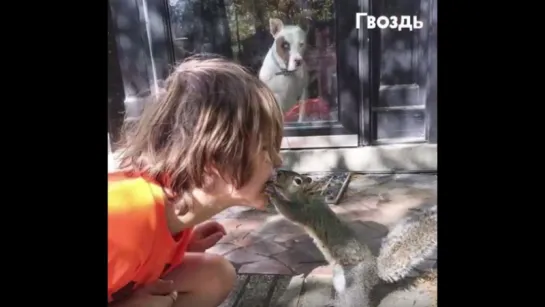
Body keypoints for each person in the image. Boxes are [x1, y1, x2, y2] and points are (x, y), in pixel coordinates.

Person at [108, 56, 284, 307]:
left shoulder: (170, 212)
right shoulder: (125, 222)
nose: (277, 161)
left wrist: (179, 245)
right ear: (213, 159)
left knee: (214, 275)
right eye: (266, 149)